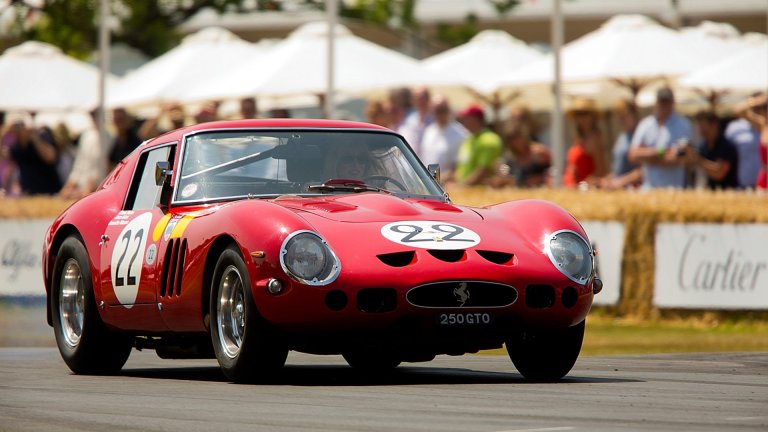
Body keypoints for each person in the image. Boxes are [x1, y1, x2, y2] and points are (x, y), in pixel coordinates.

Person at [628, 87, 693, 189]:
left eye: (667, 102)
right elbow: (633, 155)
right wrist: (660, 152)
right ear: (656, 102)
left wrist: (649, 159)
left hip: (674, 189)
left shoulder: (683, 125)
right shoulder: (645, 125)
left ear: (672, 102)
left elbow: (683, 158)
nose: (664, 105)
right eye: (662, 101)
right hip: (649, 189)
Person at [683, 111, 738, 189]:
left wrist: (697, 159)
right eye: (699, 124)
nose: (700, 128)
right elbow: (694, 167)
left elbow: (719, 173)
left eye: (703, 125)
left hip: (729, 192)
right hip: (711, 191)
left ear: (714, 125)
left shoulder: (726, 146)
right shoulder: (703, 145)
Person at [59, 110, 107, 199]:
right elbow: (79, 165)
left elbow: (99, 169)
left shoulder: (108, 137)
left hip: (96, 191)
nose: (93, 117)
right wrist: (68, 187)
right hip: (83, 189)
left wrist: (86, 190)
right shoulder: (87, 136)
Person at [418, 96, 467, 179]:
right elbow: (427, 159)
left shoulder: (461, 133)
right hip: (428, 182)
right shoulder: (429, 131)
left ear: (449, 110)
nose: (440, 114)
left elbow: (460, 164)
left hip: (448, 183)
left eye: (443, 110)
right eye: (437, 110)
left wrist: (441, 179)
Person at [454, 104, 503, 186]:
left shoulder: (489, 139)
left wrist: (462, 186)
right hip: (465, 191)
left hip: (481, 191)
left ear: (476, 119)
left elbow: (483, 170)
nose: (462, 121)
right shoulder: (469, 140)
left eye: (466, 118)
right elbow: (461, 167)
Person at [492, 122, 551, 188]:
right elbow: (501, 167)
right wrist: (502, 175)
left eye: (517, 137)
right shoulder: (510, 157)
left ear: (524, 136)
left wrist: (540, 178)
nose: (516, 141)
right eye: (512, 139)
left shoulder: (539, 153)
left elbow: (554, 170)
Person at [564, 98, 607, 188]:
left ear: (593, 116)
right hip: (572, 188)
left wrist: (586, 184)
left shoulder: (595, 139)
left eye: (584, 113)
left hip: (584, 190)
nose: (580, 117)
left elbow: (601, 171)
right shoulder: (579, 138)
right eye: (577, 114)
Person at [9, 121, 61, 195]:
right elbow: (3, 156)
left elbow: (50, 157)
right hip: (28, 192)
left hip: (49, 191)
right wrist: (4, 132)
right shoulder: (17, 147)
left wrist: (33, 137)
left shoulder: (42, 136)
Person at [601, 99, 642, 189]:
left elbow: (645, 170)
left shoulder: (641, 136)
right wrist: (607, 179)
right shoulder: (622, 137)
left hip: (633, 190)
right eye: (619, 116)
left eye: (625, 116)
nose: (622, 120)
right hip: (620, 189)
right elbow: (618, 171)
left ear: (634, 114)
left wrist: (621, 181)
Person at [726, 94, 765, 188]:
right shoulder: (735, 127)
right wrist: (754, 101)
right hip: (744, 183)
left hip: (763, 181)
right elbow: (736, 110)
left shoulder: (764, 127)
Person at [401, 86, 434, 154]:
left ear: (428, 99)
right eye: (417, 98)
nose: (420, 101)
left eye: (422, 98)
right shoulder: (410, 120)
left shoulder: (435, 118)